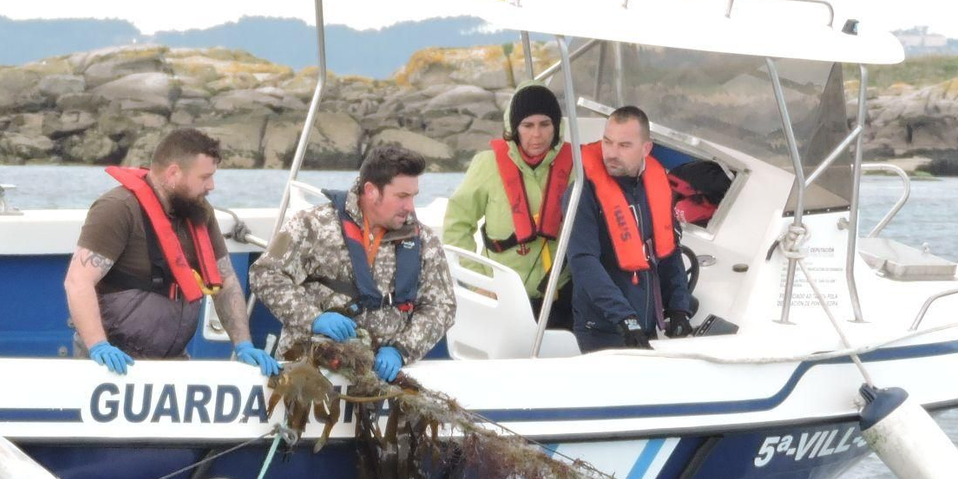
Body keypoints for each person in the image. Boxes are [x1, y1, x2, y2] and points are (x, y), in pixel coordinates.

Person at [65, 128, 278, 375]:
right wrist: (98, 346)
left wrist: (243, 344)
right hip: (114, 365)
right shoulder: (117, 209)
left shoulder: (199, 211)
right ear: (174, 173)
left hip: (172, 364)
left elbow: (226, 280)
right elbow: (78, 281)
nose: (212, 186)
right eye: (204, 177)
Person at [248, 143, 456, 383]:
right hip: (309, 371)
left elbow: (442, 306)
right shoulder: (313, 225)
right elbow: (265, 275)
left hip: (381, 378)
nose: (409, 207)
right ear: (371, 191)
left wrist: (402, 350)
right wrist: (313, 318)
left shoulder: (424, 241)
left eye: (413, 196)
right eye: (401, 196)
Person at [565, 105, 694, 354]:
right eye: (607, 142)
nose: (612, 153)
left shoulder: (656, 188)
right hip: (601, 329)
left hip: (643, 326)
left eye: (624, 145)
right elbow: (583, 262)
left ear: (646, 149)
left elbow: (669, 251)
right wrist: (624, 318)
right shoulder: (583, 192)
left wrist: (679, 309)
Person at [443, 83, 572, 312]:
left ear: (556, 127)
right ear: (514, 128)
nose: (536, 134)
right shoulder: (487, 164)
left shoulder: (577, 167)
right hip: (500, 298)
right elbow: (456, 228)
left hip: (562, 295)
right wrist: (478, 284)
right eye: (527, 125)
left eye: (545, 124)